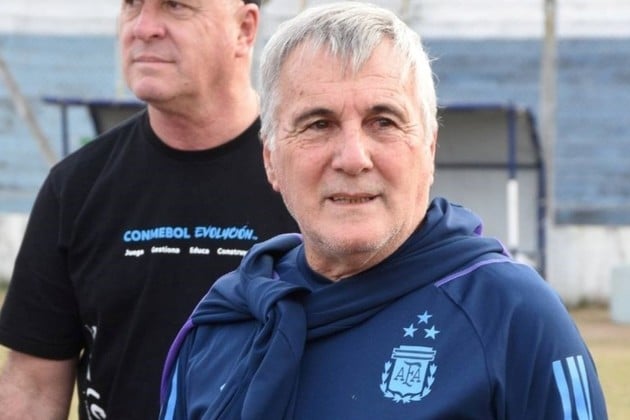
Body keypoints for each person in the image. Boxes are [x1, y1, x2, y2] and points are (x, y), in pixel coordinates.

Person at [159, 2, 608, 419]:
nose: (353, 158)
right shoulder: (221, 325)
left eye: (383, 122)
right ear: (271, 160)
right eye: (319, 124)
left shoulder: (514, 316)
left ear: (429, 149)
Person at [0, 0, 297, 418]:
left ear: (245, 28)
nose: (143, 27)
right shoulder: (76, 186)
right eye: (132, 5)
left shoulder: (305, 175)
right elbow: (32, 387)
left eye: (175, 6)